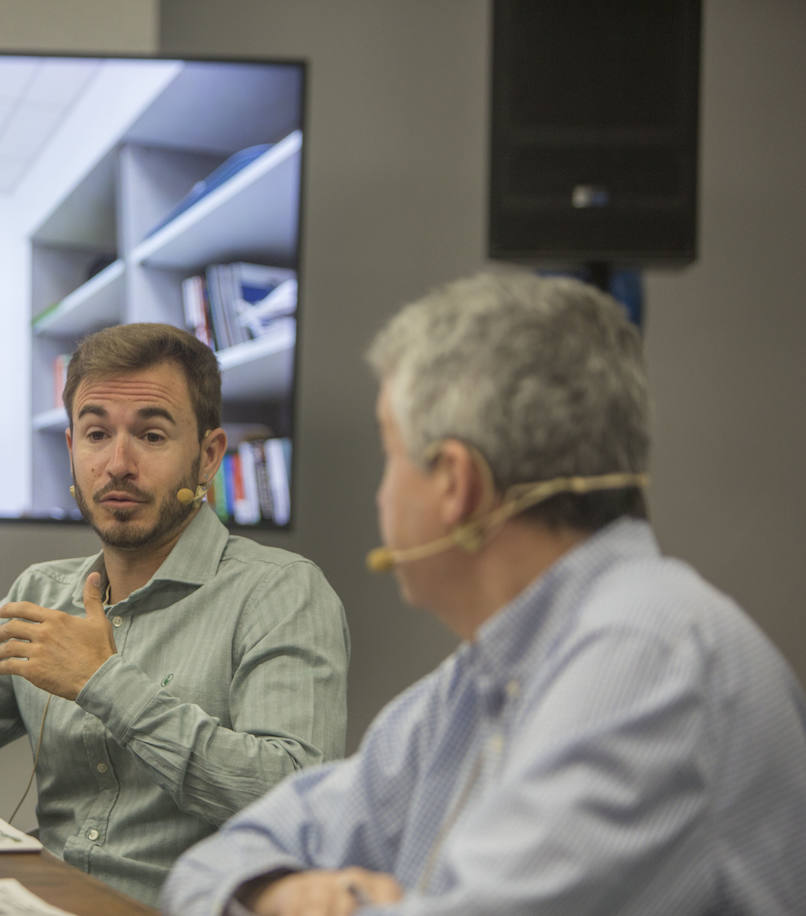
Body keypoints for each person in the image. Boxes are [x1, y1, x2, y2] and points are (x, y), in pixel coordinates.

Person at [161, 272, 806, 915]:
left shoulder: (644, 663)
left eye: (391, 454)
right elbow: (210, 867)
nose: (382, 494)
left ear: (456, 484)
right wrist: (275, 891)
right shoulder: (481, 677)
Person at [0, 322, 351, 905]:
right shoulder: (42, 592)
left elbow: (293, 801)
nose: (117, 463)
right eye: (96, 434)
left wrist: (106, 683)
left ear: (208, 456)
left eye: (152, 435)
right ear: (72, 450)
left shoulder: (283, 592)